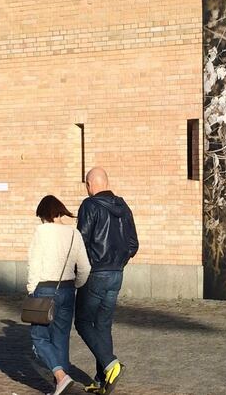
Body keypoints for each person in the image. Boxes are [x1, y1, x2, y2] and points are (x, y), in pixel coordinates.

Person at [75, 167, 138, 395]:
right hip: (116, 274)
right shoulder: (123, 206)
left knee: (82, 322)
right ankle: (103, 381)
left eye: (86, 184)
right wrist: (119, 262)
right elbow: (133, 244)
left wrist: (82, 267)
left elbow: (81, 240)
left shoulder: (89, 206)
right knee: (102, 325)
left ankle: (112, 365)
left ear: (90, 184)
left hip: (95, 273)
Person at [27, 195, 91, 395]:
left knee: (38, 337)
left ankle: (61, 377)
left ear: (46, 214)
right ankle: (60, 388)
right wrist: (76, 285)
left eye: (42, 217)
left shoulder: (42, 231)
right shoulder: (74, 234)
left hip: (45, 289)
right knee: (61, 338)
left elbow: (34, 263)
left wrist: (31, 290)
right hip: (67, 289)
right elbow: (85, 267)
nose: (42, 221)